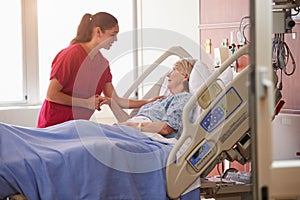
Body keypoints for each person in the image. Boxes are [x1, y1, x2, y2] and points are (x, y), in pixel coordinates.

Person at [37, 12, 157, 128]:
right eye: (113, 34)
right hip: (53, 126)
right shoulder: (71, 55)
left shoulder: (103, 64)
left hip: (76, 129)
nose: (115, 40)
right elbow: (51, 95)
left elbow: (116, 100)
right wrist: (86, 103)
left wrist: (147, 102)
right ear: (98, 31)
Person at [103, 58, 196, 139]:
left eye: (174, 69)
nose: (168, 74)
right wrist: (111, 103)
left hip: (145, 136)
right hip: (135, 130)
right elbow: (130, 122)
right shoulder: (162, 100)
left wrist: (132, 126)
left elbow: (165, 129)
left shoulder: (183, 98)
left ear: (185, 76)